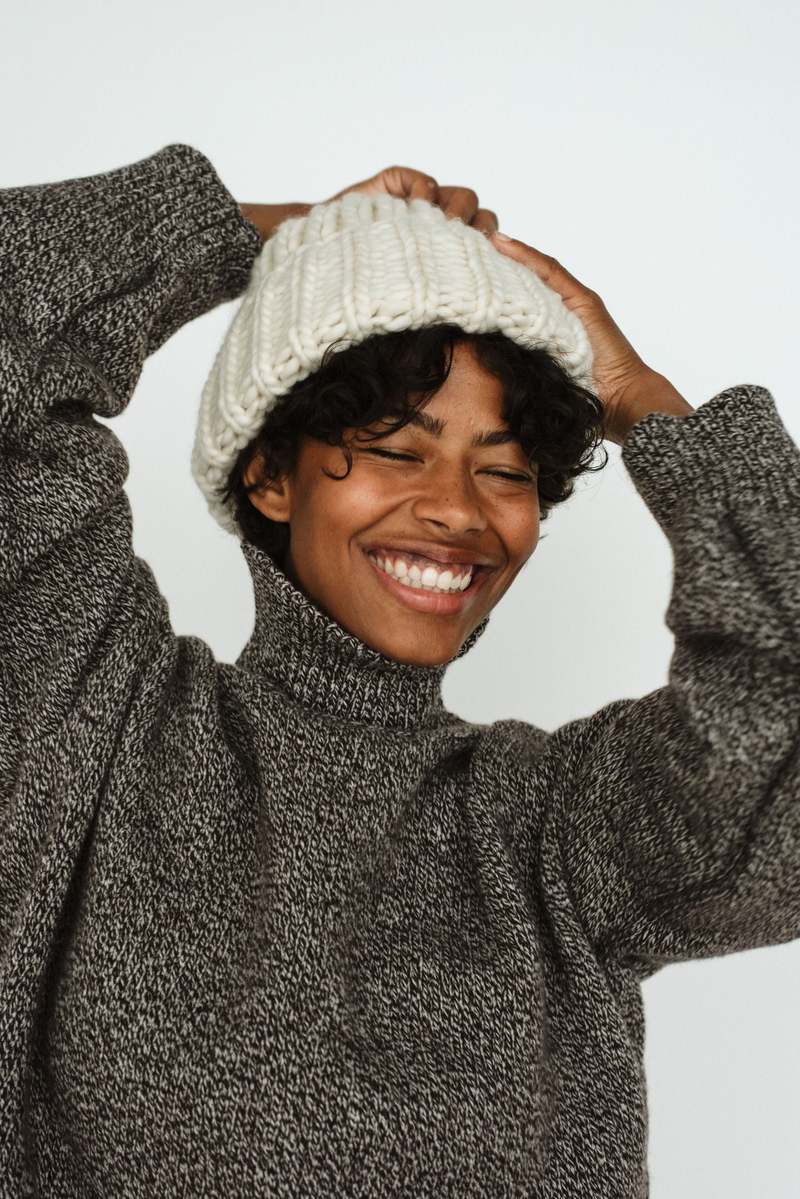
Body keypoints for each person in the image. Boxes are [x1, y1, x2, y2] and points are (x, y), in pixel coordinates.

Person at [0, 143, 797, 1198]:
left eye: (505, 470)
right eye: (395, 449)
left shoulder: (557, 834)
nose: (459, 510)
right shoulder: (98, 715)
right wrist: (276, 235)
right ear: (271, 475)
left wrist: (639, 400)